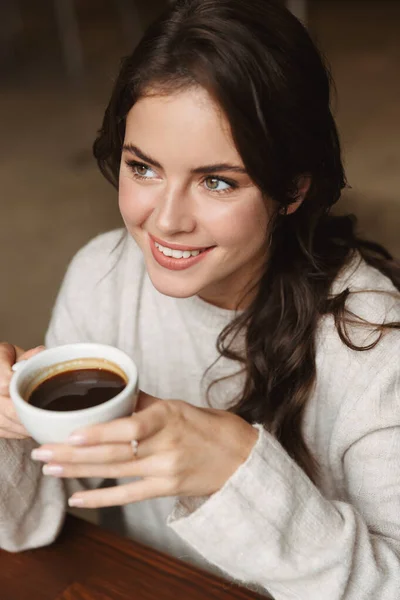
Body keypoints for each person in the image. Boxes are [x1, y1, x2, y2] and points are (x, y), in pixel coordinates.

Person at [1, 0, 399, 598]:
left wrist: (236, 469)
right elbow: (29, 528)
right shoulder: (102, 275)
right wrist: (9, 439)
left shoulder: (374, 342)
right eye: (143, 168)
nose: (164, 220)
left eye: (217, 181)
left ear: (292, 188)